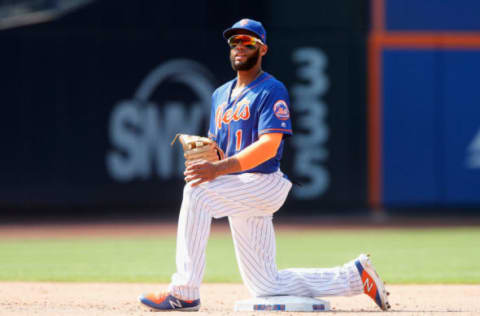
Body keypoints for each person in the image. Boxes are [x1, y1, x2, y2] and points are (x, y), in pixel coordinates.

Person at [138, 18, 390, 312]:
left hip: (263, 182)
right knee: (265, 285)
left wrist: (216, 171)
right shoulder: (220, 94)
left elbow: (269, 144)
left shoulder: (271, 89)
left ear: (263, 49)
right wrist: (206, 157)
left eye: (248, 42)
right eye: (235, 41)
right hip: (239, 186)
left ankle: (184, 291)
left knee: (196, 193)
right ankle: (354, 276)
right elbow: (217, 149)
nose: (240, 47)